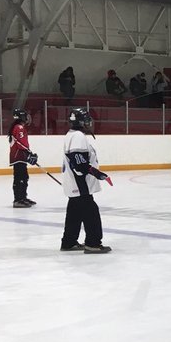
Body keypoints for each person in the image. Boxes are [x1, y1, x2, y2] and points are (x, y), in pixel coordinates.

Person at [60, 108, 111, 254]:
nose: (89, 122)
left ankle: (69, 242)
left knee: (74, 213)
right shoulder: (78, 136)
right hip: (80, 183)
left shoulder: (72, 134)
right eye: (87, 119)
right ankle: (93, 243)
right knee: (91, 212)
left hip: (74, 183)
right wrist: (96, 173)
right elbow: (79, 163)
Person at [8, 108, 37, 208]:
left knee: (24, 177)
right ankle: (18, 199)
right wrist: (29, 153)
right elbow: (21, 144)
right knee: (19, 178)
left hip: (20, 156)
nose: (27, 118)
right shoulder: (19, 128)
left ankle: (23, 197)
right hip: (18, 156)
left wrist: (29, 154)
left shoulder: (17, 127)